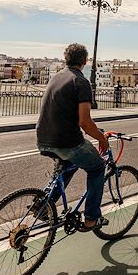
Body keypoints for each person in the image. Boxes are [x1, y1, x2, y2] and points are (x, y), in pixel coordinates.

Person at [35, 43, 109, 232]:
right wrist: (101, 137)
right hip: (66, 141)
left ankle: (43, 206)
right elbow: (84, 122)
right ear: (85, 61)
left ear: (66, 59)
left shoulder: (56, 77)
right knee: (97, 167)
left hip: (43, 137)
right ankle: (92, 218)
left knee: (68, 165)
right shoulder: (81, 82)